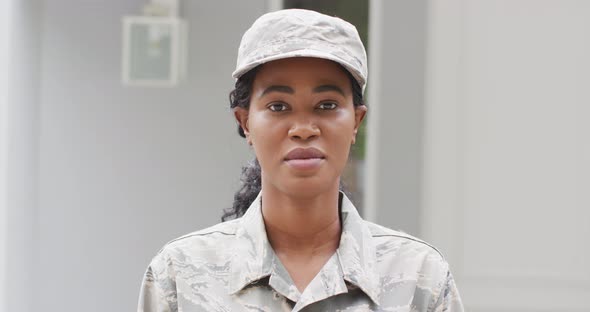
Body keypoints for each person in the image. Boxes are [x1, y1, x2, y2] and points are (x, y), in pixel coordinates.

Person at [137, 9, 464, 312]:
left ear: (356, 122)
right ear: (245, 122)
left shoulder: (420, 278)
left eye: (326, 105)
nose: (304, 129)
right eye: (278, 106)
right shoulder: (178, 275)